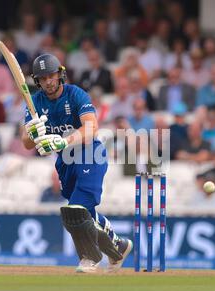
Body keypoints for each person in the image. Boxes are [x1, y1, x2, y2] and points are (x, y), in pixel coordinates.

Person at [21, 53, 132, 273]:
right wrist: (32, 133)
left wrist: (63, 141)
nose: (48, 81)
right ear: (37, 81)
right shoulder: (35, 101)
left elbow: (92, 128)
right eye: (42, 78)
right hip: (65, 162)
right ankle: (118, 246)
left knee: (75, 210)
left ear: (60, 74)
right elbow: (26, 143)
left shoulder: (76, 94)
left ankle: (89, 258)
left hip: (90, 154)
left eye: (51, 75)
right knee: (84, 213)